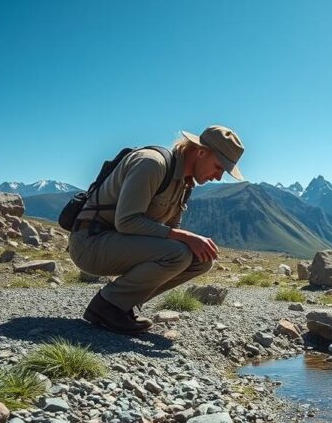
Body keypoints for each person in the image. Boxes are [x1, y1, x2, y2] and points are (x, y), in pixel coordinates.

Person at [68, 125, 245, 334]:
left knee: (201, 259)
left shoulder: (184, 184)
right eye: (218, 167)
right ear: (201, 151)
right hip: (90, 244)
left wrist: (187, 240)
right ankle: (107, 306)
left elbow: (169, 232)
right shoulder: (152, 164)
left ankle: (124, 304)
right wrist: (186, 237)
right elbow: (126, 221)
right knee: (178, 253)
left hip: (118, 244)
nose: (217, 177)